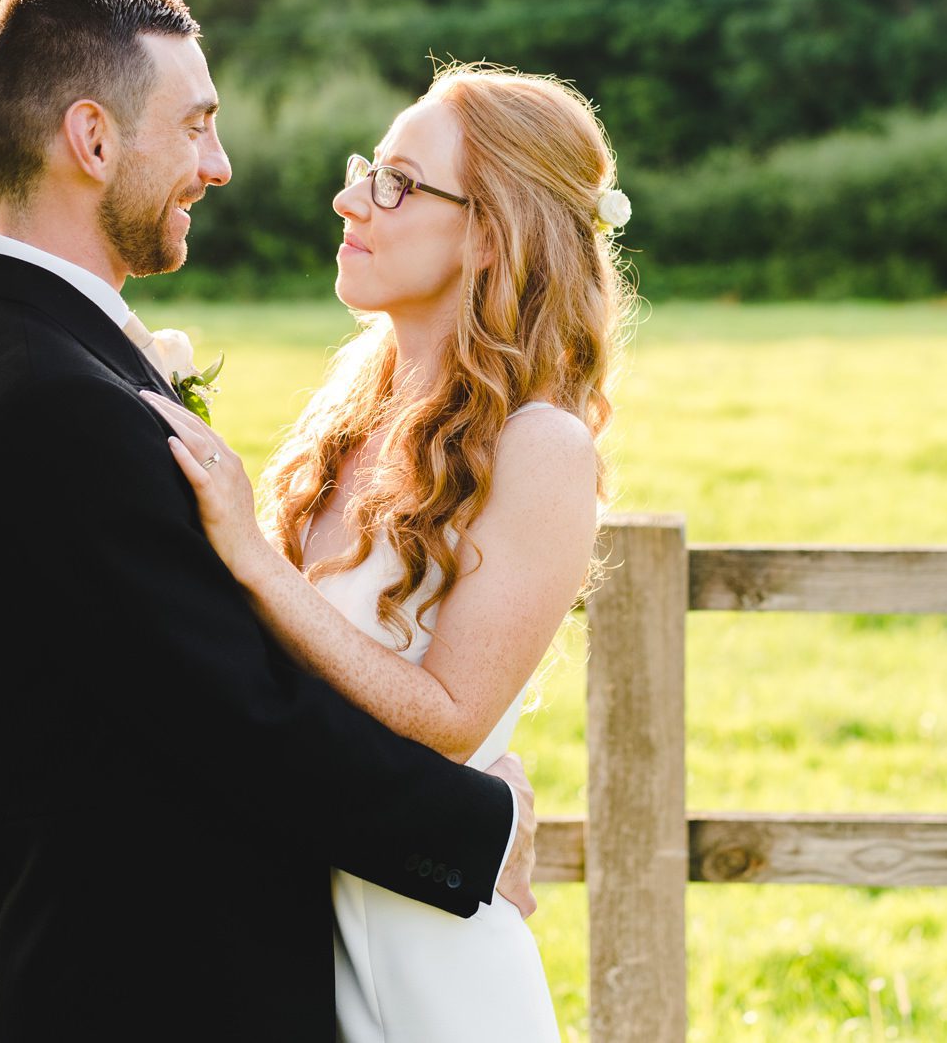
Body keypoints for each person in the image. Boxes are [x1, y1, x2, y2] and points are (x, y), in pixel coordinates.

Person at [0, 0, 538, 1042]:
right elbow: (237, 717)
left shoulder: (22, 349)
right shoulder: (55, 396)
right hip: (147, 988)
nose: (219, 164)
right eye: (196, 126)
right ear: (93, 141)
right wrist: (479, 823)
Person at [146, 63, 632, 1042]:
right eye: (368, 167)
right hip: (290, 941)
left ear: (489, 230)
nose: (348, 196)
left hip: (427, 968)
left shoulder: (539, 445)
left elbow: (451, 718)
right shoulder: (351, 411)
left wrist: (250, 553)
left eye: (398, 182)